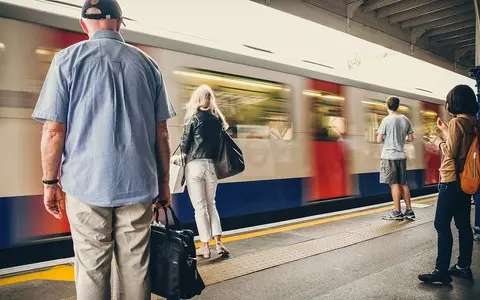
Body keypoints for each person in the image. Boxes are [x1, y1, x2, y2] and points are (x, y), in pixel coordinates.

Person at [31, 1, 176, 299]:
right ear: (120, 22)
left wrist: (49, 183)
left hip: (85, 184)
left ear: (84, 24)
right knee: (136, 266)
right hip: (138, 184)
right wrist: (164, 186)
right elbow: (161, 133)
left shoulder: (67, 60)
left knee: (91, 266)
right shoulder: (148, 65)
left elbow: (54, 130)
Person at [419, 85, 477, 284]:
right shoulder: (473, 123)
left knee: (441, 224)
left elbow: (450, 152)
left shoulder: (456, 122)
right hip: (465, 181)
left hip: (450, 180)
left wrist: (437, 141)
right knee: (463, 225)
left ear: (455, 102)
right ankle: (463, 266)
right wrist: (445, 130)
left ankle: (441, 271)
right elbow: (462, 148)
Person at [180, 85, 230, 259]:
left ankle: (204, 247)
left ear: (197, 99)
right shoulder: (217, 121)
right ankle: (218, 243)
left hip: (194, 166)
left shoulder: (193, 119)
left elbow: (184, 146)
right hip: (211, 166)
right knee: (211, 205)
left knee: (200, 208)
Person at [377, 96, 415, 220]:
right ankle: (409, 210)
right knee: (403, 183)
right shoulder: (405, 119)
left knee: (394, 184)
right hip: (401, 156)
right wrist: (400, 140)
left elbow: (379, 139)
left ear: (387, 106)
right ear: (397, 106)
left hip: (389, 156)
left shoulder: (386, 120)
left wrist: (388, 139)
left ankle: (397, 211)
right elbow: (410, 139)